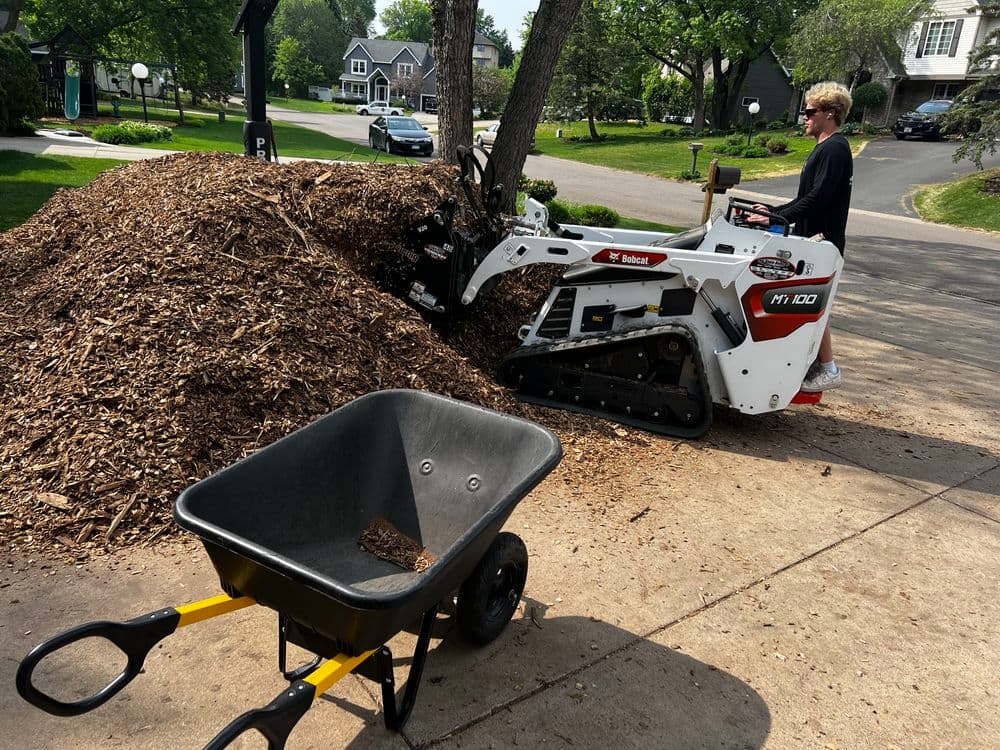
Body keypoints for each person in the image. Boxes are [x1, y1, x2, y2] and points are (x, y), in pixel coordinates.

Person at [748, 81, 853, 392]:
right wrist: (771, 212)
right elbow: (805, 198)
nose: (804, 117)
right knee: (806, 303)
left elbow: (818, 199)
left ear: (831, 114)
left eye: (810, 111)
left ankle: (829, 368)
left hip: (822, 241)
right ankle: (806, 363)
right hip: (811, 238)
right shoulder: (825, 148)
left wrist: (775, 216)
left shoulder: (835, 149)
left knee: (814, 304)